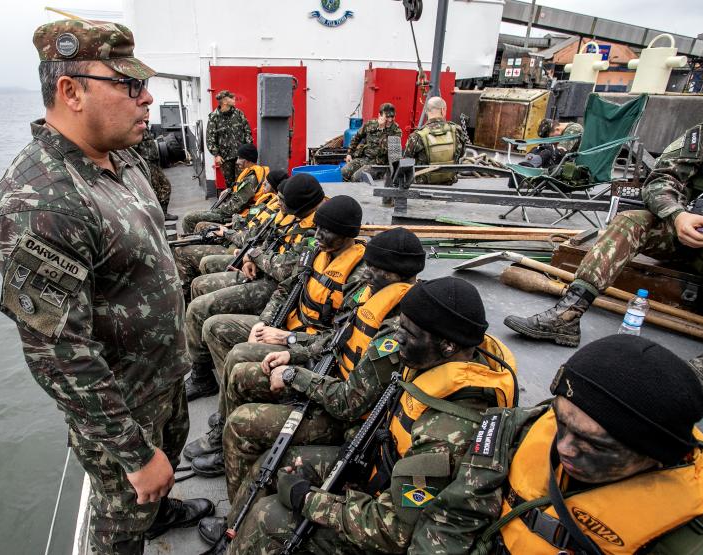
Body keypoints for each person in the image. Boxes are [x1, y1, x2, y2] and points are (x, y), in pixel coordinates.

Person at [0, 20, 212, 554]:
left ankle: (158, 515)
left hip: (162, 379)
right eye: (129, 85)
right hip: (121, 408)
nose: (147, 98)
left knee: (160, 482)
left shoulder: (118, 158)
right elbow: (56, 354)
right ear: (71, 91)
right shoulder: (42, 203)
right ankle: (140, 522)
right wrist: (135, 454)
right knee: (121, 520)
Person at [224, 278, 519, 554]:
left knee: (268, 516)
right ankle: (232, 534)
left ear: (448, 345)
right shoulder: (429, 361)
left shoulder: (448, 431)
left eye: (409, 334)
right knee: (271, 464)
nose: (397, 338)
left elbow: (394, 529)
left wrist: (308, 500)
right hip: (375, 469)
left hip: (390, 523)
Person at [409, 335, 703, 555]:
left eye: (594, 444)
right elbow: (453, 517)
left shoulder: (691, 543)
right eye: (561, 422)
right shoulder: (521, 428)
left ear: (655, 454)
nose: (564, 447)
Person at [504, 111, 703, 406]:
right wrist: (678, 215)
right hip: (690, 238)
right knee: (631, 220)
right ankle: (568, 314)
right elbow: (660, 179)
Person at [186, 195, 368, 477]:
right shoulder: (315, 251)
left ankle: (229, 435)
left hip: (311, 349)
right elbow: (286, 289)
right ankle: (227, 413)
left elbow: (339, 337)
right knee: (215, 327)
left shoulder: (359, 278)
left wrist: (288, 340)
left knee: (239, 354)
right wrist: (264, 323)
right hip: (287, 328)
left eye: (327, 231)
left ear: (347, 235)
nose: (318, 235)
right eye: (317, 228)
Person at [183, 174, 325, 400]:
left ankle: (212, 381)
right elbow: (267, 245)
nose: (278, 203)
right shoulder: (297, 217)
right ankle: (205, 369)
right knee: (200, 290)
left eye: (283, 201)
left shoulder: (317, 230)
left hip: (274, 287)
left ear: (299, 206)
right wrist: (251, 257)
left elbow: (284, 270)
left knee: (200, 308)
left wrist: (254, 255)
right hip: (265, 276)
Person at [172, 169, 287, 295]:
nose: (263, 184)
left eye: (267, 183)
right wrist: (233, 225)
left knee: (186, 252)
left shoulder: (277, 211)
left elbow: (250, 237)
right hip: (240, 240)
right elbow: (250, 223)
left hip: (240, 247)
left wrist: (228, 232)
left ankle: (189, 293)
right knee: (201, 228)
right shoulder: (269, 201)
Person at [182, 143, 267, 233]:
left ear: (246, 160)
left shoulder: (251, 178)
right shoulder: (250, 173)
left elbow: (234, 208)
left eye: (239, 158)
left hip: (235, 216)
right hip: (231, 211)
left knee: (188, 218)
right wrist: (229, 190)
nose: (237, 161)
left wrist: (217, 211)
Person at [403, 96, 468, 184]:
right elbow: (461, 153)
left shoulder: (416, 136)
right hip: (449, 182)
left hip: (424, 185)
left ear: (426, 111)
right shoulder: (457, 130)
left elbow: (406, 162)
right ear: (443, 110)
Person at [341, 103, 403, 182]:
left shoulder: (396, 131)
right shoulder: (370, 124)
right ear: (379, 115)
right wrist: (349, 153)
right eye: (387, 117)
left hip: (378, 165)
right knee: (343, 172)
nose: (390, 120)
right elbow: (357, 137)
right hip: (364, 159)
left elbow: (390, 153)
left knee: (356, 178)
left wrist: (382, 130)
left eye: (392, 117)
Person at [132, 112, 175, 219]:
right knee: (154, 190)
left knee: (165, 186)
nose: (147, 113)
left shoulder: (145, 127)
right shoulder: (137, 128)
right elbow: (133, 150)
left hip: (154, 163)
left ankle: (163, 213)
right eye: (144, 111)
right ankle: (157, 216)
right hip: (147, 164)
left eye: (148, 111)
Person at [207, 90, 253, 185]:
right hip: (225, 158)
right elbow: (210, 138)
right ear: (224, 101)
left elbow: (247, 131)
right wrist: (216, 155)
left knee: (242, 181)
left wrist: (248, 149)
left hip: (241, 156)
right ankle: (231, 195)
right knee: (230, 184)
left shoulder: (239, 114)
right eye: (231, 98)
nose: (234, 99)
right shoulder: (214, 117)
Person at [518, 117, 584, 169]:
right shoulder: (565, 131)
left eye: (551, 138)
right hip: (567, 164)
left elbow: (560, 152)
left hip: (577, 166)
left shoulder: (574, 129)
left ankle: (528, 167)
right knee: (537, 149)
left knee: (547, 151)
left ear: (557, 129)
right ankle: (525, 167)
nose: (552, 142)